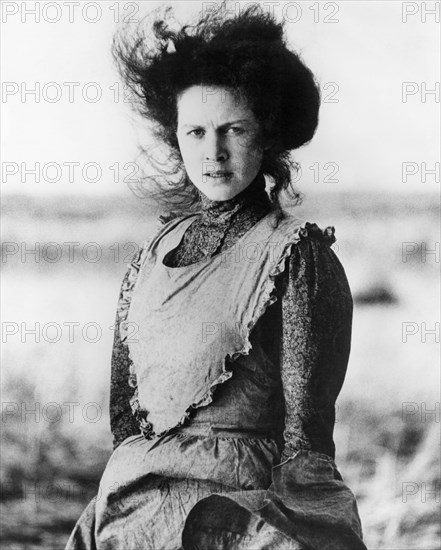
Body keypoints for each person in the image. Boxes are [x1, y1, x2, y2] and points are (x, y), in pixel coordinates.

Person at [65, 4, 367, 549]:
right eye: (196, 131)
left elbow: (307, 445)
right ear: (176, 137)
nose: (214, 152)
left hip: (239, 511)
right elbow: (125, 423)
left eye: (234, 129)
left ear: (268, 135)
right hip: (132, 503)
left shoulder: (298, 258)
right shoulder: (150, 257)